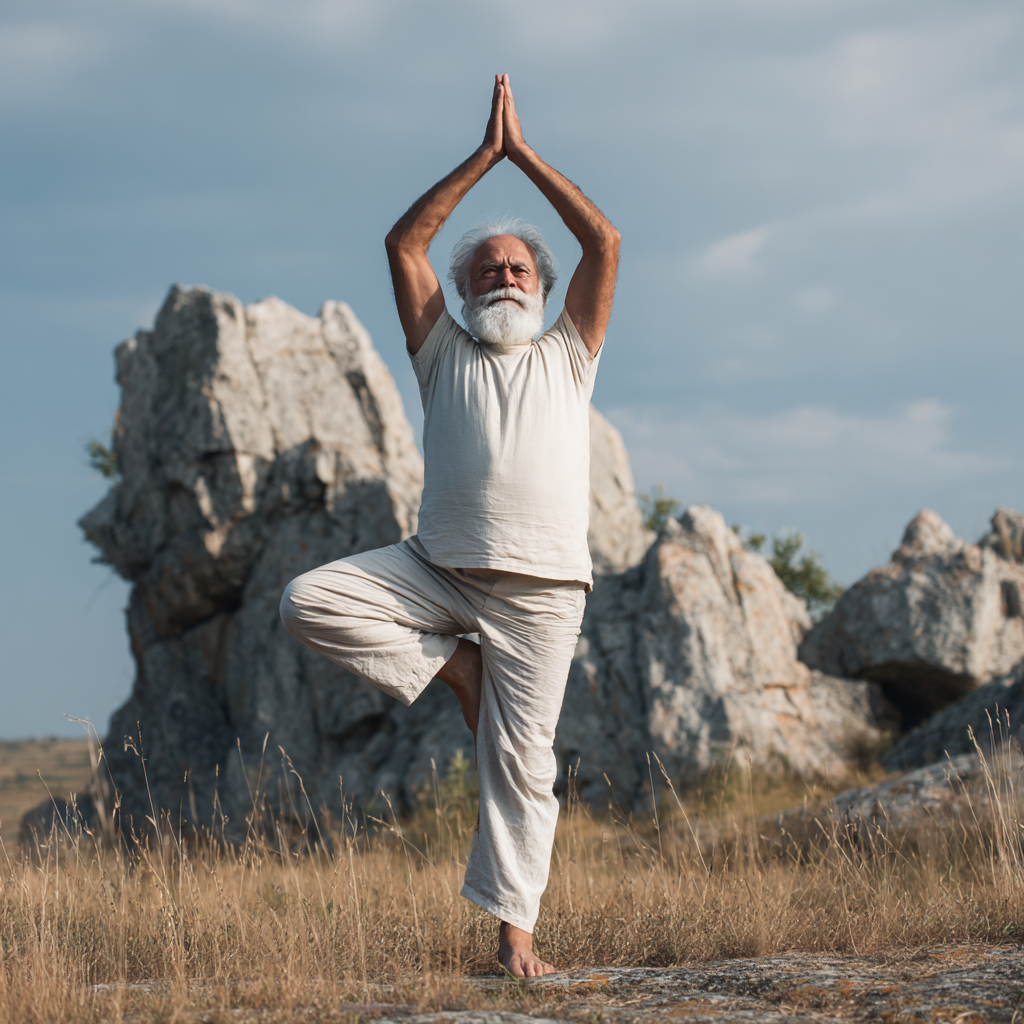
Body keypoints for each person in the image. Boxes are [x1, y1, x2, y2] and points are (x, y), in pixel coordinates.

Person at [280, 74, 619, 978]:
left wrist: (525, 156)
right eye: (487, 271)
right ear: (464, 294)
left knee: (521, 767)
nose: (504, 277)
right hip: (437, 568)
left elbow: (605, 241)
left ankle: (514, 941)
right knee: (306, 600)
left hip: (544, 592)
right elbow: (406, 242)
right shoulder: (441, 351)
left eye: (518, 269)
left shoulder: (569, 352)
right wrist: (482, 158)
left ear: (542, 289)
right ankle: (454, 666)